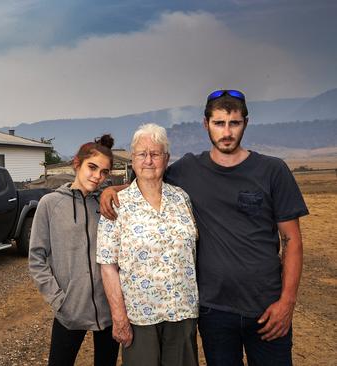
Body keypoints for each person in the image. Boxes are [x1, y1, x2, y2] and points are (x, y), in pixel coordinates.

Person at [100, 89, 308, 366]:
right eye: (219, 123)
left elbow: (292, 241)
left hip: (267, 308)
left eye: (234, 123)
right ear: (205, 124)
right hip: (214, 311)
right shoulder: (189, 169)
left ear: (245, 123)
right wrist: (112, 190)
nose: (227, 132)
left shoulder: (273, 170)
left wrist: (287, 303)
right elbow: (148, 177)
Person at [96, 123, 199, 366]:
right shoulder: (117, 204)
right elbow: (108, 265)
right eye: (142, 154)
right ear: (133, 159)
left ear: (166, 158)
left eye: (155, 154)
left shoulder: (182, 198)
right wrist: (119, 316)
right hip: (139, 316)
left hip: (182, 312)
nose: (149, 160)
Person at [29, 134, 120, 366]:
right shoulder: (50, 204)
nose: (98, 176)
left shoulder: (108, 204)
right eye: (92, 167)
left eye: (104, 172)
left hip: (108, 308)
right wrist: (59, 300)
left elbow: (141, 185)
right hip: (70, 309)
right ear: (76, 164)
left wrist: (113, 189)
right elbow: (37, 258)